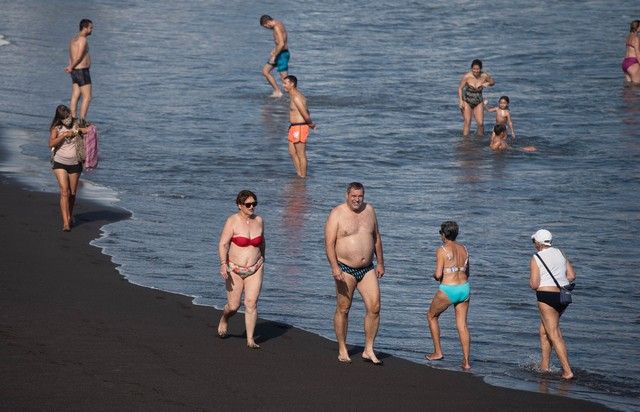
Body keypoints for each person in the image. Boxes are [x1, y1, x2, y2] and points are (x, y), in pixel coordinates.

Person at [325, 182, 385, 365]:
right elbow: (329, 243)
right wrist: (334, 267)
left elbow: (376, 237)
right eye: (354, 196)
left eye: (360, 196)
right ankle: (343, 348)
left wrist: (381, 262)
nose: (357, 199)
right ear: (347, 195)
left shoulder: (370, 211)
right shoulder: (337, 213)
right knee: (344, 308)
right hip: (345, 269)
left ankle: (368, 349)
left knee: (374, 307)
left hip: (367, 268)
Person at [217, 190, 265, 349]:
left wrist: (263, 259)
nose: (252, 207)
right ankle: (224, 318)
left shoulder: (259, 220)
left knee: (251, 303)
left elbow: (262, 242)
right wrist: (223, 264)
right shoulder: (232, 221)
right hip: (235, 268)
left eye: (254, 204)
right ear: (240, 205)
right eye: (248, 204)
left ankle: (250, 339)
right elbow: (223, 244)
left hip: (255, 268)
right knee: (234, 306)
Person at [529, 229, 576, 380]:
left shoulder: (536, 257)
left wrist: (532, 282)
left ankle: (567, 371)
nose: (534, 244)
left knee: (554, 334)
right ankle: (545, 366)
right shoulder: (561, 253)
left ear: (538, 243)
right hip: (563, 297)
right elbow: (571, 276)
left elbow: (535, 284)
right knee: (544, 331)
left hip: (546, 297)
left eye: (534, 241)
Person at [425, 221, 471, 370]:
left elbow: (438, 274)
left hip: (448, 289)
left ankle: (438, 352)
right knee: (462, 325)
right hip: (464, 289)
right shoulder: (464, 249)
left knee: (431, 316)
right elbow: (467, 273)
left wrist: (434, 276)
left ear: (444, 235)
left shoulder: (441, 250)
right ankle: (466, 362)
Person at [48, 105, 90, 232]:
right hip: (60, 163)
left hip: (75, 164)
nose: (68, 119)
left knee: (72, 193)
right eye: (65, 118)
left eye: (69, 116)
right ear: (60, 118)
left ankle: (70, 216)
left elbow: (89, 129)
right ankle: (66, 222)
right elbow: (50, 143)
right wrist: (63, 135)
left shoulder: (76, 123)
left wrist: (79, 131)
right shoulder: (56, 128)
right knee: (64, 191)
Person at [283, 75, 315, 178]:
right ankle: (299, 174)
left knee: (301, 153)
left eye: (285, 83)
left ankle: (303, 177)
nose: (284, 86)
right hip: (293, 127)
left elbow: (305, 113)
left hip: (299, 127)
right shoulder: (293, 95)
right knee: (292, 152)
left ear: (292, 84)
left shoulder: (296, 96)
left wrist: (310, 124)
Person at [64, 19, 93, 123]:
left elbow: (71, 56)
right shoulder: (82, 40)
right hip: (82, 71)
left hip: (75, 71)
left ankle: (72, 119)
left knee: (75, 95)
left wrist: (70, 66)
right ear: (84, 28)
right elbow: (78, 57)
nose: (91, 30)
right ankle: (82, 121)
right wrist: (71, 66)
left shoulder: (73, 39)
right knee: (87, 97)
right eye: (90, 28)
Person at [458, 59, 494, 137]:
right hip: (467, 100)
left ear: (480, 69)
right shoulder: (467, 76)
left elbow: (493, 82)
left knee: (480, 123)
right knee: (467, 121)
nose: (476, 71)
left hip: (478, 100)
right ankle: (465, 141)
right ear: (471, 68)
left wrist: (488, 83)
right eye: (474, 69)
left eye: (477, 69)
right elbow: (460, 88)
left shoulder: (484, 76)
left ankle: (480, 139)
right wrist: (461, 101)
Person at [260, 15, 289, 97]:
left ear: (268, 22)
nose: (267, 28)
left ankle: (295, 97)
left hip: (282, 55)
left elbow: (282, 43)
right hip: (279, 52)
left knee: (285, 80)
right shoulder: (279, 23)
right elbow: (281, 41)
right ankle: (277, 91)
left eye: (266, 26)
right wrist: (274, 50)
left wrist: (274, 56)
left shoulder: (276, 27)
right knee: (265, 71)